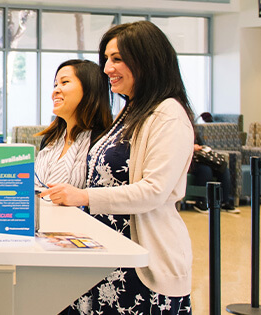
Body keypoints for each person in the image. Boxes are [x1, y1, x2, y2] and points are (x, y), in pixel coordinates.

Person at [40, 21, 195, 314]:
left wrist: (84, 197)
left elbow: (153, 192)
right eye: (107, 59)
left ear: (147, 60)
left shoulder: (168, 116)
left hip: (142, 264)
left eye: (117, 59)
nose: (107, 69)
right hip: (106, 256)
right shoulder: (132, 110)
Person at [33, 59, 112, 189]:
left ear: (90, 89)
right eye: (55, 85)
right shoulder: (51, 139)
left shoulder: (102, 142)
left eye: (64, 82)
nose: (55, 91)